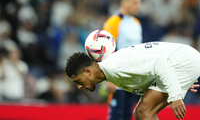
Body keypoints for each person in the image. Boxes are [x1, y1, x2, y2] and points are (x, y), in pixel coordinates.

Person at [65, 42, 200, 120]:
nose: (79, 87)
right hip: (179, 62)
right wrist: (174, 80)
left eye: (78, 81)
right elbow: (150, 66)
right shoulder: (110, 70)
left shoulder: (115, 67)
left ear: (88, 71)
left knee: (143, 111)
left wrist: (175, 95)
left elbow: (159, 63)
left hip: (183, 61)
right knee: (140, 113)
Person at [103, 0, 142, 120]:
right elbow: (105, 50)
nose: (138, 6)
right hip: (117, 77)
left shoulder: (137, 24)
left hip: (132, 78)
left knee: (127, 115)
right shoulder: (114, 22)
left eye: (139, 3)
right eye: (135, 2)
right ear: (124, 2)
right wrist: (109, 78)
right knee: (116, 115)